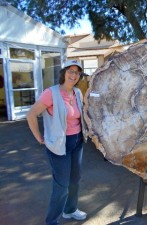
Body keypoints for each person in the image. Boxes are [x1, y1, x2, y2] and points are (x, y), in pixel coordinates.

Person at [27, 60, 88, 225]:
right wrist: (39, 138)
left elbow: (80, 115)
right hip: (59, 144)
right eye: (71, 71)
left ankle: (70, 210)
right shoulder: (51, 93)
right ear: (64, 72)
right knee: (61, 184)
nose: (74, 75)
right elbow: (31, 114)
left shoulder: (77, 93)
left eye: (77, 73)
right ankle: (52, 221)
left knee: (75, 180)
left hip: (77, 141)